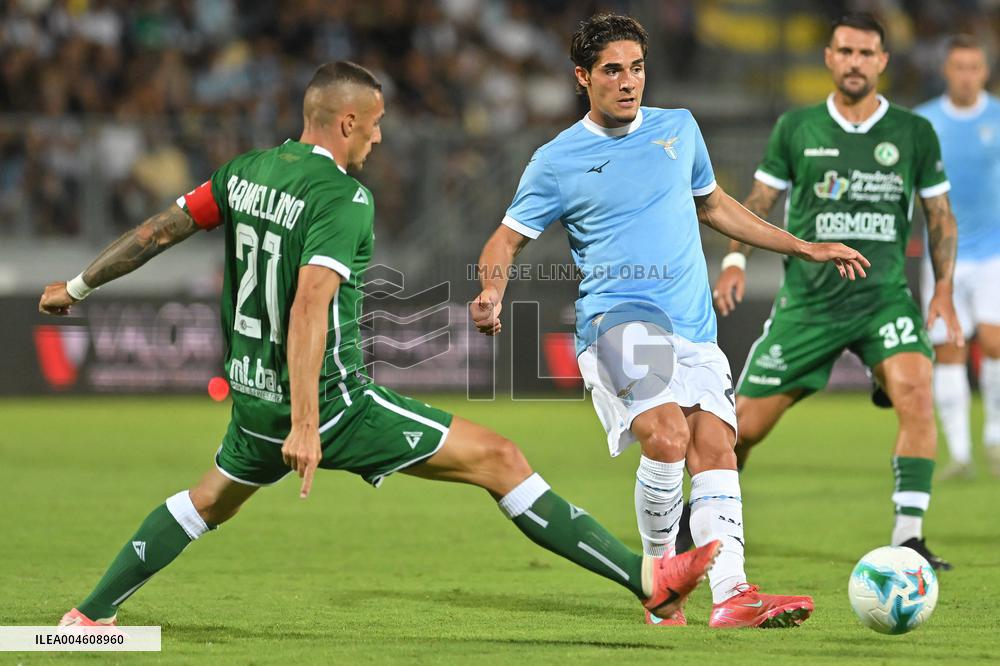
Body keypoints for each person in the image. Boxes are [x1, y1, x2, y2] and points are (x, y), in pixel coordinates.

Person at [40, 61, 723, 628]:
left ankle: (87, 617)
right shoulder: (343, 200)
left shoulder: (242, 172)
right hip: (332, 404)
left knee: (206, 501)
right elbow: (312, 304)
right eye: (375, 123)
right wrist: (309, 425)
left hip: (253, 400)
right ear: (345, 122)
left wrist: (78, 284)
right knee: (500, 458)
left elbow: (160, 230)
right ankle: (651, 582)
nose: (380, 137)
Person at [471, 13, 868, 628]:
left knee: (716, 445)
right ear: (583, 78)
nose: (629, 82)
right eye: (612, 71)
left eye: (636, 68)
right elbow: (504, 241)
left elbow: (714, 205)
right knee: (666, 434)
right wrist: (492, 292)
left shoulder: (678, 128)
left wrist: (802, 246)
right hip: (617, 321)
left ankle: (732, 594)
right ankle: (661, 582)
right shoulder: (557, 159)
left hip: (693, 324)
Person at [711, 14, 961, 570]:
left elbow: (939, 214)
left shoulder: (913, 133)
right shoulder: (797, 127)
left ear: (882, 62)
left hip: (883, 301)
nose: (854, 62)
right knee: (741, 428)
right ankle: (695, 523)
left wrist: (943, 289)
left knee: (917, 394)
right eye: (845, 51)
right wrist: (734, 260)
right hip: (809, 305)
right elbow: (759, 201)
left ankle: (908, 537)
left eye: (866, 53)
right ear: (829, 57)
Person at [914, 35, 1000, 480]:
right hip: (943, 256)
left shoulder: (998, 117)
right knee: (947, 349)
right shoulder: (924, 122)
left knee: (993, 341)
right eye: (958, 67)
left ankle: (995, 436)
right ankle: (961, 454)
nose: (966, 75)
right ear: (947, 70)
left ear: (984, 71)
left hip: (994, 255)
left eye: (974, 67)